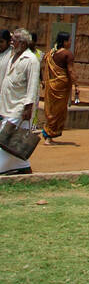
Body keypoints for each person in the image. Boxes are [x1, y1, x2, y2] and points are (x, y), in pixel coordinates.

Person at [0, 28, 41, 176]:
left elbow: (32, 86)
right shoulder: (13, 56)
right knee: (14, 140)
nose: (12, 41)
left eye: (15, 39)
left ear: (23, 43)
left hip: (20, 106)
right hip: (8, 104)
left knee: (5, 137)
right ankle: (23, 165)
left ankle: (2, 166)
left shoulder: (31, 60)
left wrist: (28, 107)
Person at [41, 32, 78, 142]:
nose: (70, 42)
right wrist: (76, 85)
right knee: (58, 111)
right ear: (65, 42)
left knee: (52, 110)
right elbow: (70, 71)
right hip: (61, 86)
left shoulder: (52, 53)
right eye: (69, 40)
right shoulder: (67, 54)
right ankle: (49, 134)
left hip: (52, 84)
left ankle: (49, 134)